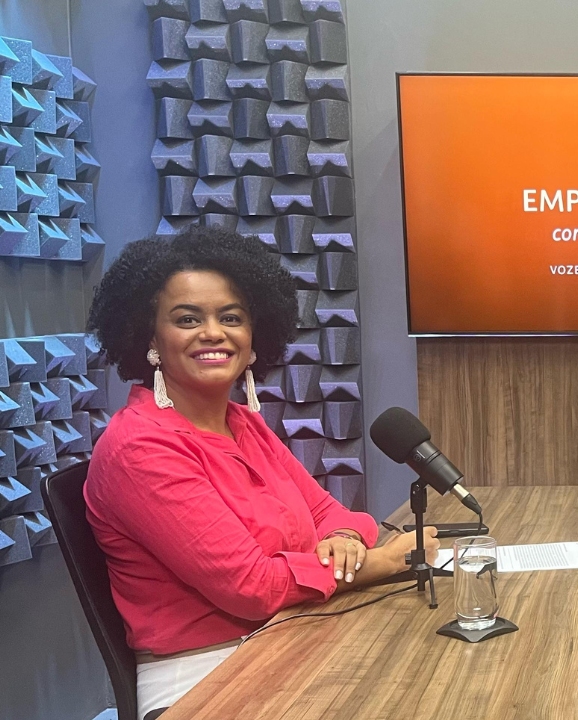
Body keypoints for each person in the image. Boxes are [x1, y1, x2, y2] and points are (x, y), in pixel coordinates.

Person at [83, 227, 435, 720]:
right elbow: (253, 588)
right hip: (204, 681)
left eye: (231, 318)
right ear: (150, 339)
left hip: (289, 639)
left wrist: (343, 540)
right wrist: (386, 561)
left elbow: (329, 512)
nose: (213, 332)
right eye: (188, 319)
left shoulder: (242, 423)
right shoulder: (140, 447)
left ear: (253, 339)